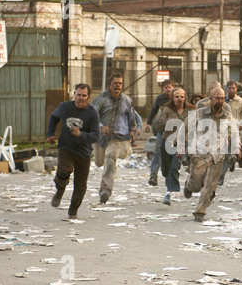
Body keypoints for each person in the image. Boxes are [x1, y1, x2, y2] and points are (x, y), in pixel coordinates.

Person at [178, 86, 240, 222]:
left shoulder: (227, 114)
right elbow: (185, 127)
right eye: (217, 98)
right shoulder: (200, 113)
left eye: (223, 98)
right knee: (196, 183)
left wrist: (236, 148)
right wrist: (180, 145)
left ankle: (200, 211)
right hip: (199, 154)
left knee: (210, 184)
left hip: (217, 155)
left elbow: (234, 132)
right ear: (211, 99)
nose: (220, 101)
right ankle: (189, 185)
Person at [47, 83, 100, 219]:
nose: (80, 98)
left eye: (84, 96)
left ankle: (73, 211)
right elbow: (53, 117)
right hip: (66, 147)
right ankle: (59, 191)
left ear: (88, 97)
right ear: (74, 94)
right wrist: (51, 134)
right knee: (63, 171)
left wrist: (81, 135)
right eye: (78, 95)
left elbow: (96, 135)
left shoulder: (92, 113)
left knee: (81, 186)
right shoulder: (64, 107)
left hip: (83, 152)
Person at [91, 73, 137, 204]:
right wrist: (100, 127)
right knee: (99, 162)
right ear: (110, 84)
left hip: (117, 136)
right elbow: (92, 115)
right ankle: (103, 162)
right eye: (115, 83)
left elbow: (131, 116)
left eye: (120, 84)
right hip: (100, 137)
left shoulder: (127, 100)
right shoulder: (101, 98)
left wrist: (131, 131)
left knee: (111, 159)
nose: (118, 86)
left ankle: (105, 191)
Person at [156, 88, 194, 205]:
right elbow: (158, 126)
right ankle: (170, 184)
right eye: (177, 96)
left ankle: (169, 193)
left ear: (185, 98)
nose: (179, 99)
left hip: (182, 142)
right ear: (173, 98)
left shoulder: (189, 111)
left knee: (175, 166)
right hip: (167, 141)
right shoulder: (167, 110)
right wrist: (168, 121)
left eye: (181, 97)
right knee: (166, 170)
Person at [218, 80, 242, 185]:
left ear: (236, 89)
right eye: (229, 88)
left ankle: (237, 158)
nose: (231, 90)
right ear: (226, 89)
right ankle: (221, 177)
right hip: (224, 131)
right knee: (224, 154)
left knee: (235, 151)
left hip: (237, 130)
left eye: (233, 88)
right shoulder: (222, 102)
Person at [145, 79, 174, 186]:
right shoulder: (160, 99)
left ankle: (170, 175)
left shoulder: (176, 97)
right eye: (165, 87)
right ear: (163, 89)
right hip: (162, 129)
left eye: (169, 87)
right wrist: (148, 123)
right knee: (157, 151)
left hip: (173, 130)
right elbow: (154, 110)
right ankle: (153, 175)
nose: (168, 90)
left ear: (172, 87)